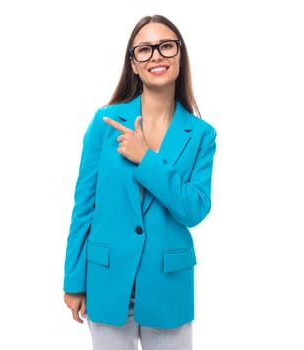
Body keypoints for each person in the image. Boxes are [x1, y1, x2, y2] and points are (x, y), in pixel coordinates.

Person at [63, 14, 216, 350]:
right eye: (144, 50)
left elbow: (194, 208)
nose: (156, 56)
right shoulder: (104, 123)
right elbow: (84, 207)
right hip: (105, 278)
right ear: (132, 64)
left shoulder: (202, 135)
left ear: (180, 56)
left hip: (168, 285)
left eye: (165, 46)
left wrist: (146, 159)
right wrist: (74, 280)